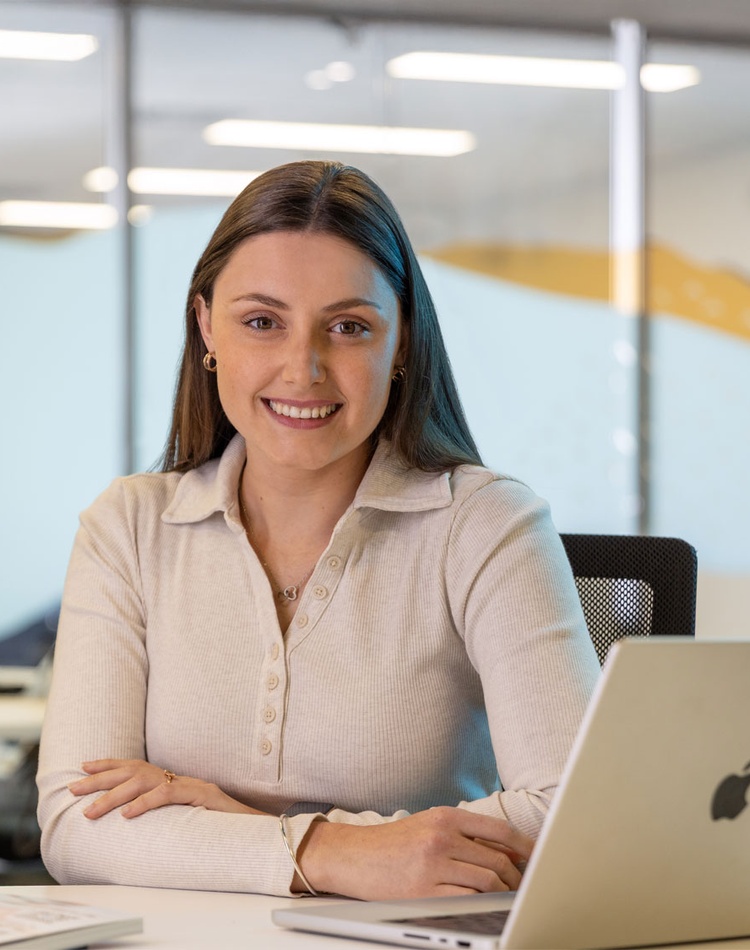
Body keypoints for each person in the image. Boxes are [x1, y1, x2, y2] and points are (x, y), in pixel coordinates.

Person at [37, 159, 600, 899]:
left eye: (348, 327)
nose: (302, 369)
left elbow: (568, 814)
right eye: (262, 322)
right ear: (207, 327)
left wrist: (239, 829)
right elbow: (76, 825)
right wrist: (331, 852)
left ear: (402, 342)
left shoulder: (486, 525)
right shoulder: (130, 527)